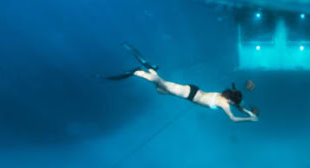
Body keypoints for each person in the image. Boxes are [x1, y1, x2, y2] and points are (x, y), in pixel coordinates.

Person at [103, 43, 258, 123]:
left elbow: (239, 106)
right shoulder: (225, 104)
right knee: (161, 83)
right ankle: (138, 72)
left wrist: (249, 112)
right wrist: (249, 119)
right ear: (231, 100)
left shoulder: (226, 98)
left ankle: (151, 68)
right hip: (188, 93)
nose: (233, 104)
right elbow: (233, 118)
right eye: (233, 102)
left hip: (192, 91)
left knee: (160, 90)